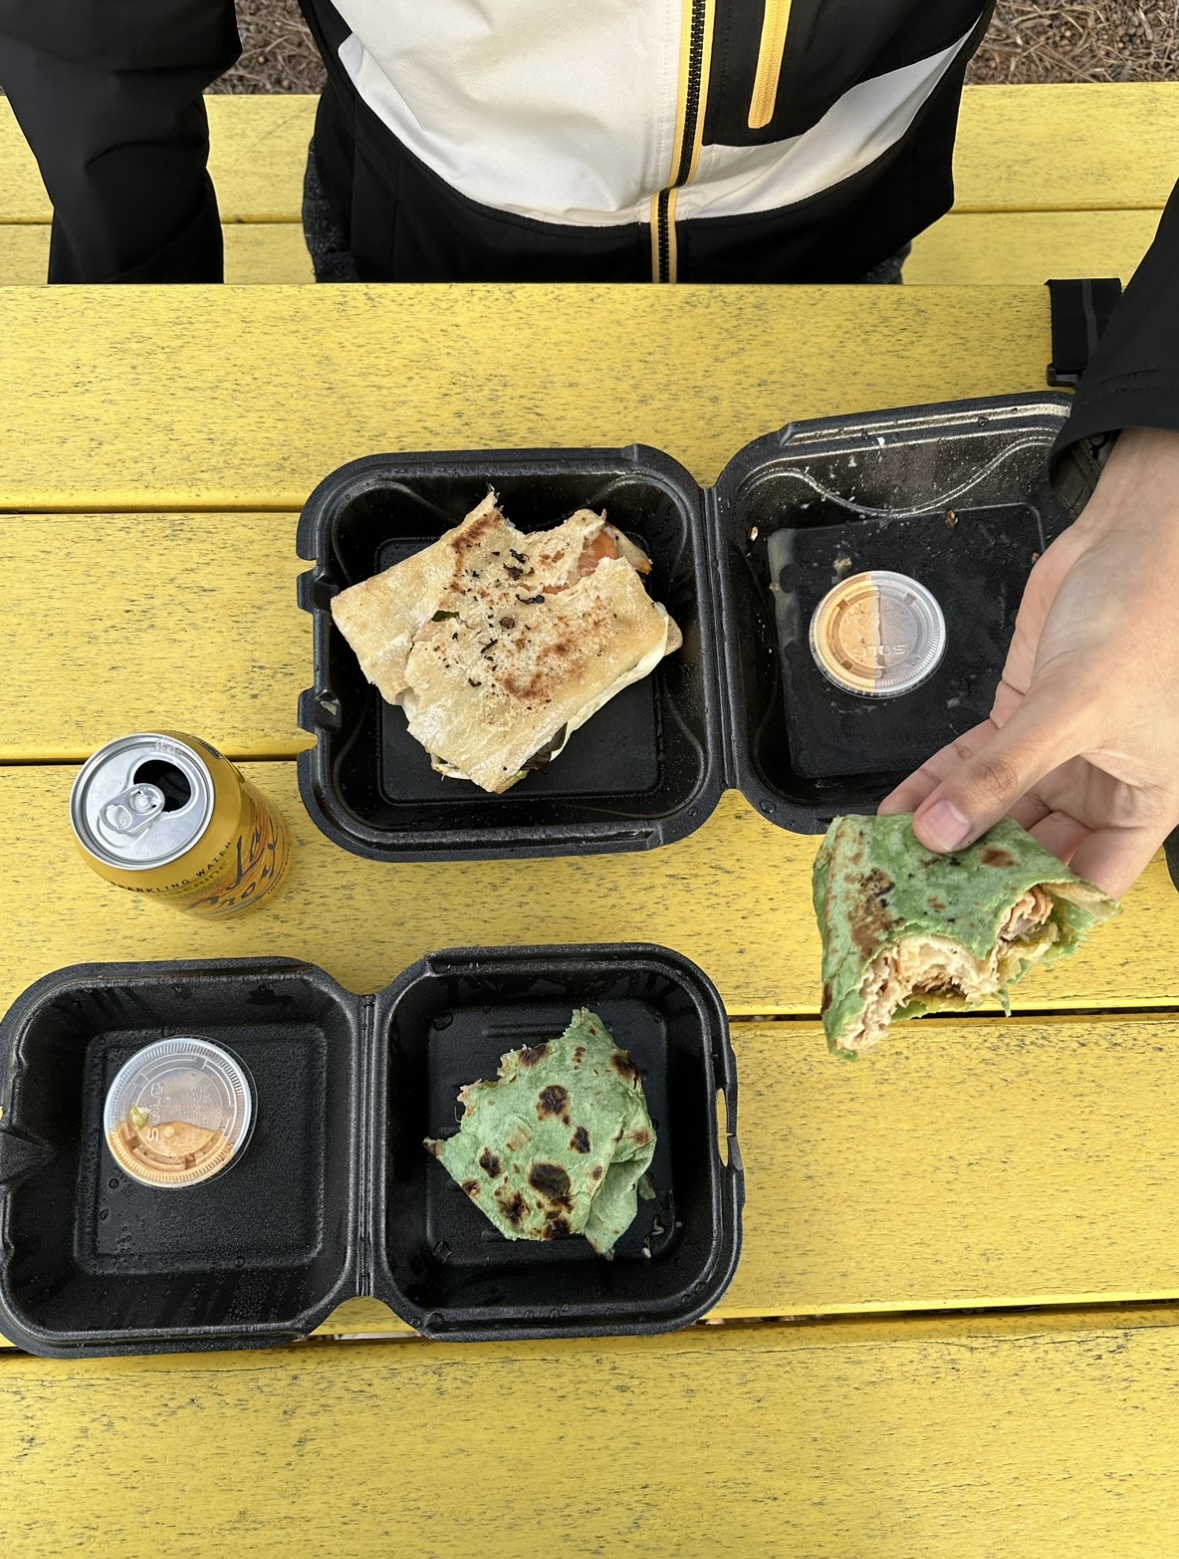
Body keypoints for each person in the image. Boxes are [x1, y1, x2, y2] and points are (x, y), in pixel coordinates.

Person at [2, 0, 1176, 895]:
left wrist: (1163, 478)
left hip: (832, 231)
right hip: (425, 225)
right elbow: (89, 30)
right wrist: (132, 312)